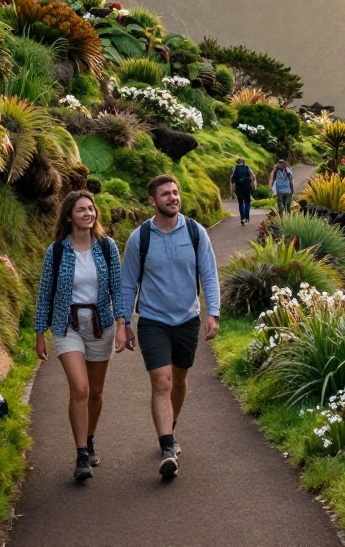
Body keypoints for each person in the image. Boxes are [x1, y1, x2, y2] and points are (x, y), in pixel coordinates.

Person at [120, 174, 220, 479]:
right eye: (166, 194)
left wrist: (212, 312)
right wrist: (125, 323)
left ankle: (170, 428)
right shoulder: (140, 238)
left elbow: (209, 273)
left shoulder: (195, 232)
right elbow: (127, 284)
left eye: (175, 193)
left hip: (187, 319)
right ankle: (167, 447)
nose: (173, 197)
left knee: (178, 379)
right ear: (153, 201)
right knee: (161, 383)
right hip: (153, 320)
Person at [34, 189, 129, 482]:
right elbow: (45, 294)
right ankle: (81, 455)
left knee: (96, 392)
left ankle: (89, 438)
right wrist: (40, 333)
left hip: (101, 325)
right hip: (67, 325)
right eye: (81, 210)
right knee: (80, 388)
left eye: (91, 209)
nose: (88, 214)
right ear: (69, 216)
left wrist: (123, 325)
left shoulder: (107, 247)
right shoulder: (57, 251)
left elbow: (118, 287)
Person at [229, 156, 257, 225]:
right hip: (247, 188)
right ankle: (246, 218)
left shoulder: (235, 168)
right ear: (243, 162)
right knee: (247, 202)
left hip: (238, 189)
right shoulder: (247, 167)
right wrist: (253, 184)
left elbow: (232, 179)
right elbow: (253, 177)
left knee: (241, 203)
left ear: (237, 162)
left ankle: (242, 218)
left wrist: (232, 188)